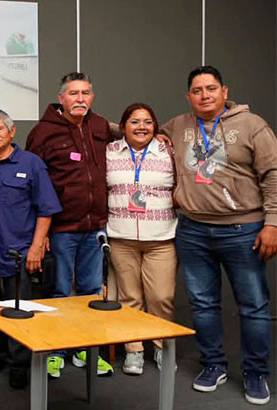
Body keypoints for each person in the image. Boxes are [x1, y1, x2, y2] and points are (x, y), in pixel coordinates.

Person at [164, 66, 275, 405]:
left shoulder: (252, 125)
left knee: (253, 306)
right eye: (197, 90)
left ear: (224, 91)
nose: (205, 95)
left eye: (211, 88)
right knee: (203, 304)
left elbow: (272, 175)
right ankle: (213, 365)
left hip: (244, 230)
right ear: (189, 96)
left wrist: (272, 223)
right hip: (193, 229)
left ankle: (256, 372)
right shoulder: (179, 125)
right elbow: (136, 129)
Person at [25, 72, 114, 378]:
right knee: (60, 292)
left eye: (86, 93)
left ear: (92, 97)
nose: (80, 99)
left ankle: (85, 350)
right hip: (61, 229)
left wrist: (162, 135)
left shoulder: (101, 126)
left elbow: (134, 133)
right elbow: (32, 184)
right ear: (61, 98)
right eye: (73, 93)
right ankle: (56, 351)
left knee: (90, 292)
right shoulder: (43, 133)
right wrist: (41, 232)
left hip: (95, 226)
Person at [0, 110, 61, 388]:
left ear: (11, 131)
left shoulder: (32, 164)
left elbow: (46, 210)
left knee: (19, 310)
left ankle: (20, 363)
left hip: (18, 253)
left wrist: (35, 248)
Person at [105, 103, 177, 375]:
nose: (141, 127)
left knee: (162, 296)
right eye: (134, 122)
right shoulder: (109, 152)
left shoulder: (168, 151)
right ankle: (133, 350)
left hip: (161, 237)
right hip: (121, 237)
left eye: (148, 122)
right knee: (129, 298)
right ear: (123, 126)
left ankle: (161, 347)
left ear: (156, 126)